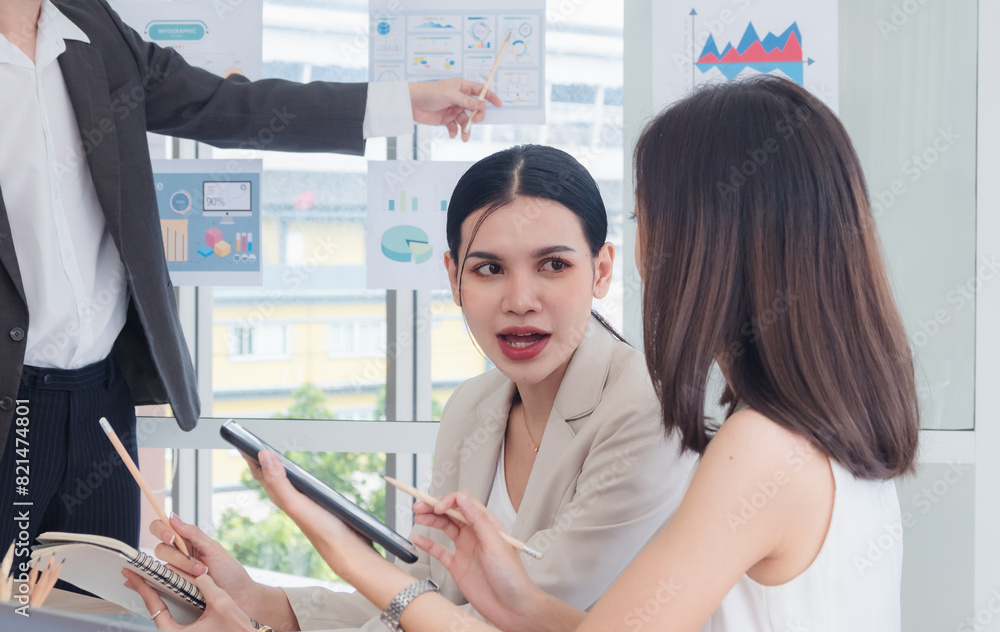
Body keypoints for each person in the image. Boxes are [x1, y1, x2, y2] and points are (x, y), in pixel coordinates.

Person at [0, 0, 502, 561]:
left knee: (96, 606)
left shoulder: (89, 25)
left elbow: (229, 105)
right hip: (10, 397)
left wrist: (404, 101)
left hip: (98, 400)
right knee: (11, 604)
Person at [130, 145, 696, 631]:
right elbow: (423, 594)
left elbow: (496, 619)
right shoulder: (473, 407)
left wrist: (345, 553)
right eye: (488, 269)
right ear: (453, 277)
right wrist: (266, 604)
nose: (520, 298)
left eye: (552, 265)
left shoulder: (649, 413)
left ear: (600, 271)